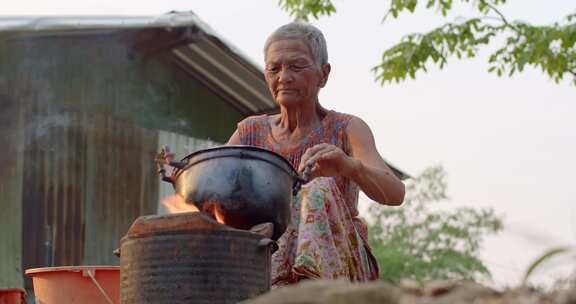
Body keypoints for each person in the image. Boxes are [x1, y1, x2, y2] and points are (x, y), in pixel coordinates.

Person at [226, 22, 405, 287]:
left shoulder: (347, 128)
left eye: (296, 66)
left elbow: (395, 194)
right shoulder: (250, 132)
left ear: (324, 74)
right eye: (274, 68)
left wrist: (349, 167)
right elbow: (214, 182)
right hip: (262, 262)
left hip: (343, 269)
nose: (284, 77)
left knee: (317, 189)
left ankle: (310, 288)